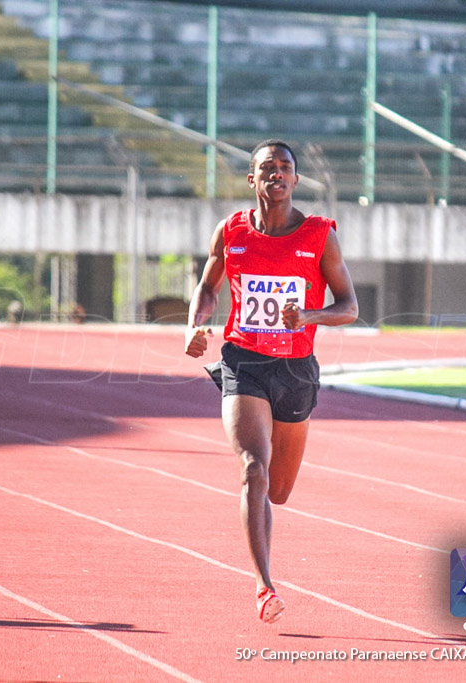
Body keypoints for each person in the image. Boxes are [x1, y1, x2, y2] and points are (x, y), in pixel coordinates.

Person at [184, 140, 358, 623]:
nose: (276, 174)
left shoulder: (320, 235)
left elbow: (350, 307)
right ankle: (264, 585)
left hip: (296, 369)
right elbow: (208, 285)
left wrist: (309, 315)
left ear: (296, 180)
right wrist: (195, 325)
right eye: (267, 167)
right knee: (252, 471)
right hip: (244, 362)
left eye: (285, 168)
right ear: (252, 179)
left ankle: (263, 549)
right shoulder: (232, 230)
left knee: (277, 491)